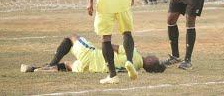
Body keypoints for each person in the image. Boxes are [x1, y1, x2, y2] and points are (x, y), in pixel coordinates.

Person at [20, 34, 166, 74]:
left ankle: (50, 64)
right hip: (92, 68)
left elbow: (110, 47)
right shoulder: (134, 71)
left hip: (91, 55)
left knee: (71, 38)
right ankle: (35, 69)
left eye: (156, 58)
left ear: (151, 61)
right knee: (68, 65)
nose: (154, 55)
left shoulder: (133, 53)